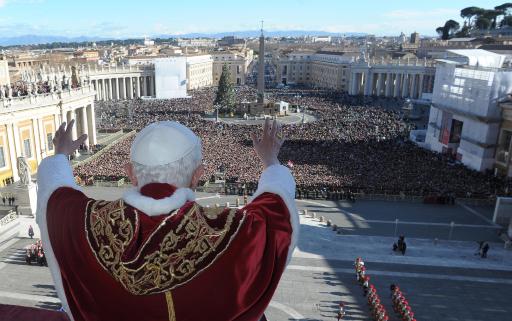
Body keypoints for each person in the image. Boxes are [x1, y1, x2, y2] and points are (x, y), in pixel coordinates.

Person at [34, 119, 297, 321]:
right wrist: (271, 161)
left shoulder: (90, 222)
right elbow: (276, 214)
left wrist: (60, 154)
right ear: (198, 175)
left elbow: (56, 197)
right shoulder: (233, 232)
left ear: (130, 174)